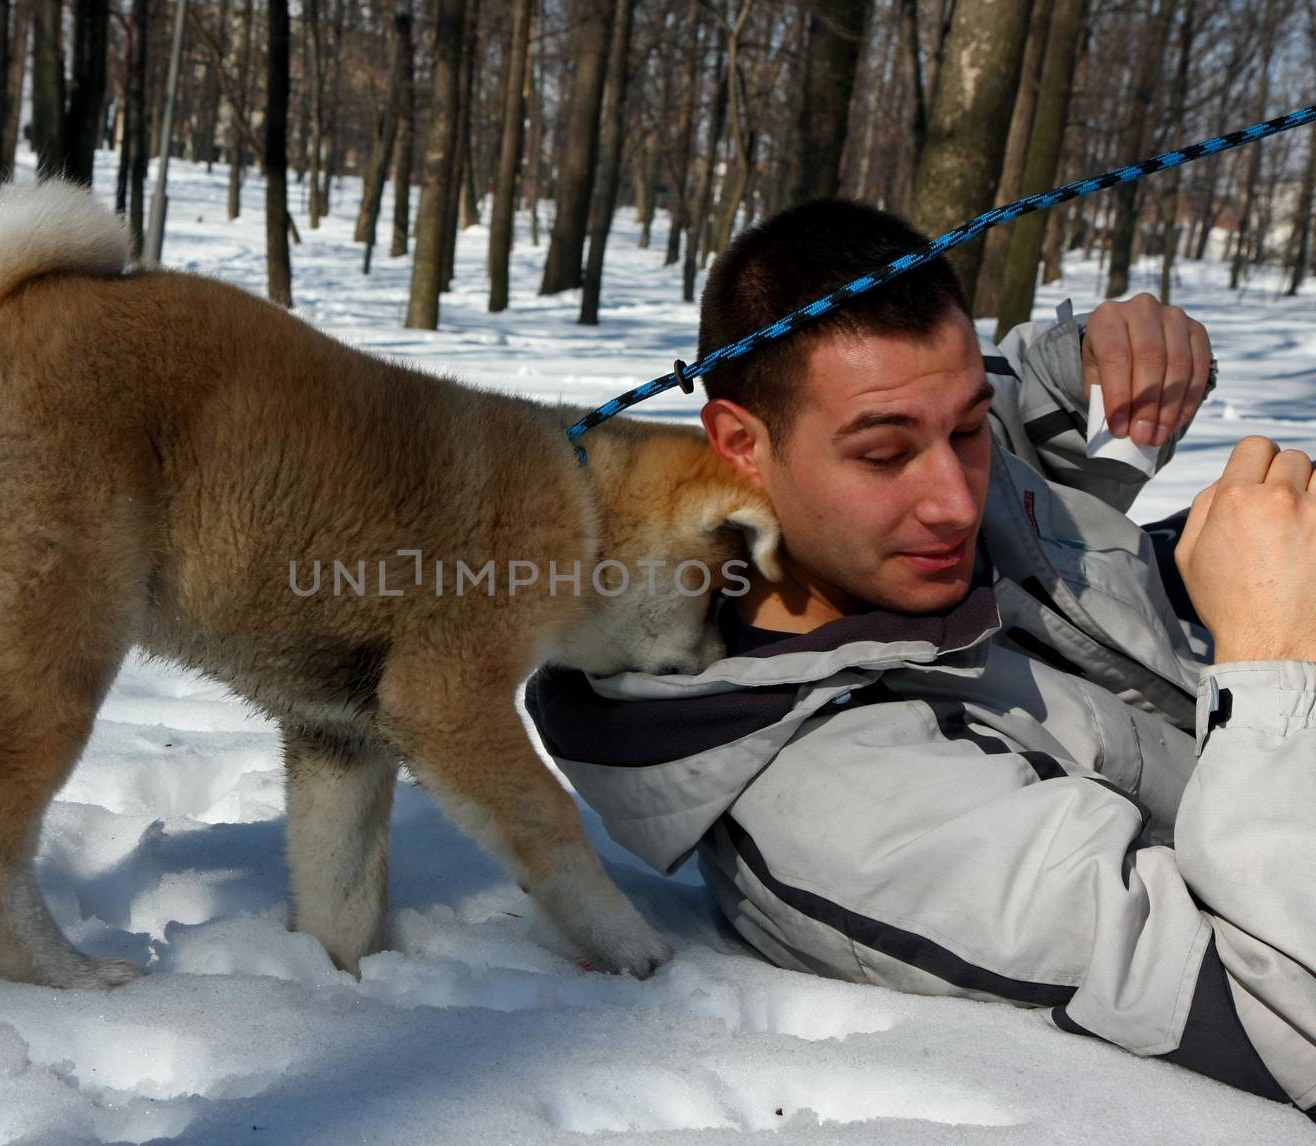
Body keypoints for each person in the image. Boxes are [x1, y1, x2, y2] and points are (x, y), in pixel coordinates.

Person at [525, 199, 1316, 1115]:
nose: (953, 499)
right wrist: (1274, 662)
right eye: (887, 452)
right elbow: (1285, 1020)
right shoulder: (849, 813)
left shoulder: (869, 530)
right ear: (742, 445)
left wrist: (1102, 350)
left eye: (968, 430)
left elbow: (1015, 395)